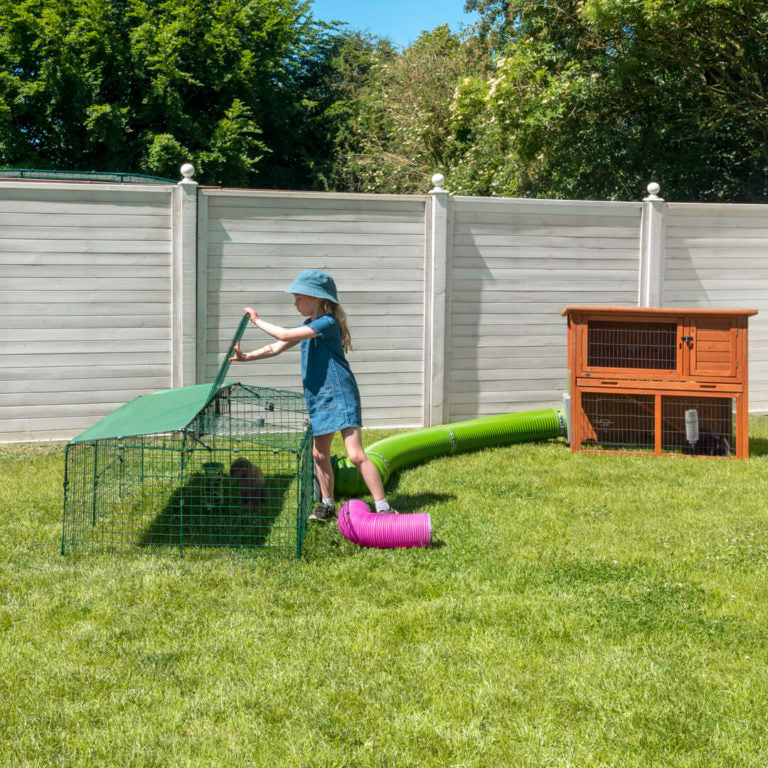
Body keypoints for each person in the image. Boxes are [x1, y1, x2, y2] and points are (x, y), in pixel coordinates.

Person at [229, 269, 397, 522]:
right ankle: (327, 505)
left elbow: (283, 335)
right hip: (320, 397)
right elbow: (276, 347)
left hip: (340, 394)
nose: (295, 303)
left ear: (316, 298)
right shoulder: (308, 326)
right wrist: (247, 357)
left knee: (355, 455)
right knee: (319, 454)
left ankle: (383, 506)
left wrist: (256, 320)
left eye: (299, 298)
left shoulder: (327, 323)